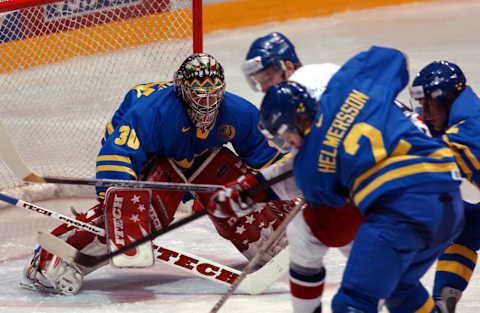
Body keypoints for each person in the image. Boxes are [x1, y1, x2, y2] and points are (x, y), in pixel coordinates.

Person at [211, 45, 465, 313]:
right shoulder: (352, 85)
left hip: (404, 211)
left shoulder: (313, 159)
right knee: (398, 286)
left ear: (296, 122)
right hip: (449, 195)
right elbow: (393, 58)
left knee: (351, 301)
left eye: (285, 138)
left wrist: (246, 195)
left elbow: (323, 214)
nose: (288, 144)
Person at [20, 53, 292, 295]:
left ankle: (270, 238)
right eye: (200, 96)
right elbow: (117, 155)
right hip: (147, 158)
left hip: (197, 156)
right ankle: (49, 260)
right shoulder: (153, 113)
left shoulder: (238, 112)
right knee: (136, 210)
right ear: (184, 92)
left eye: (213, 95)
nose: (208, 104)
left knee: (233, 182)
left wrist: (294, 192)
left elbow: (270, 162)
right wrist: (122, 200)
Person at [239, 32, 366, 313]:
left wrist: (251, 189)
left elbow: (303, 173)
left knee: (304, 233)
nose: (265, 90)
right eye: (260, 83)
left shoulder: (299, 94)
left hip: (370, 180)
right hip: (379, 172)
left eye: (268, 78)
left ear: (289, 65)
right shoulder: (325, 74)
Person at [410, 60, 480, 313]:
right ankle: (443, 304)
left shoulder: (466, 138)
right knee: (464, 225)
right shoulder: (470, 109)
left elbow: (422, 166)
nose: (425, 111)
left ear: (450, 96)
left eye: (430, 103)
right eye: (422, 104)